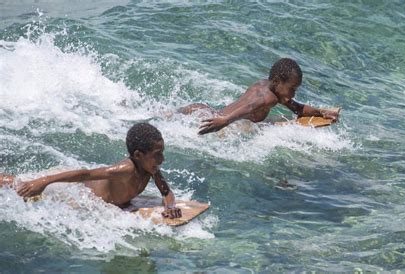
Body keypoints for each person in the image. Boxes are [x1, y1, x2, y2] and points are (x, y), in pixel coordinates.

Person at [0, 123, 182, 218]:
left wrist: (171, 206)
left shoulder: (152, 169)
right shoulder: (124, 170)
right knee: (17, 186)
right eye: (157, 154)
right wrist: (42, 182)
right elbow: (85, 174)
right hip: (76, 191)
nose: (162, 159)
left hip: (86, 192)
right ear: (138, 155)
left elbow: (166, 192)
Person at [179, 58, 340, 135]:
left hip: (203, 110)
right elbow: (250, 107)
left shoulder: (266, 85)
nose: (293, 94)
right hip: (214, 122)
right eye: (292, 89)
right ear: (277, 81)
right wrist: (225, 121)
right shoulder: (269, 98)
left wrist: (321, 112)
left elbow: (298, 108)